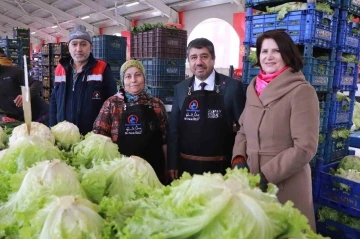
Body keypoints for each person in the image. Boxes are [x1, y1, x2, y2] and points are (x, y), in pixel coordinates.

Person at [232, 29, 319, 231]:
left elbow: (305, 147)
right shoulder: (253, 88)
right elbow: (243, 131)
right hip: (252, 184)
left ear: (287, 54)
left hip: (286, 187)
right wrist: (238, 158)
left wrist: (266, 175)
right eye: (264, 51)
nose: (268, 57)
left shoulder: (302, 91)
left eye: (276, 51)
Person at [168, 38, 246, 179]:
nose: (198, 62)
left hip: (222, 169)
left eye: (204, 56)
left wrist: (239, 159)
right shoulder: (180, 89)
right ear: (189, 61)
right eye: (193, 57)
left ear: (213, 59)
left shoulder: (232, 88)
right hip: (186, 169)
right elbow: (174, 131)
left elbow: (244, 128)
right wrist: (172, 163)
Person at [93, 60, 168, 183]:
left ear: (144, 78)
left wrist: (166, 169)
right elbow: (99, 138)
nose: (133, 80)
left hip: (152, 174)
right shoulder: (112, 104)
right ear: (123, 81)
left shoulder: (156, 104)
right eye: (128, 76)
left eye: (138, 75)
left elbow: (165, 140)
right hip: (121, 175)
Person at [49, 24, 117, 135]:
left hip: (93, 135)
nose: (78, 49)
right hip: (64, 135)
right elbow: (54, 100)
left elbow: (112, 102)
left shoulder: (102, 68)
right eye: (74, 44)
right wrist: (52, 127)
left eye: (83, 44)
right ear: (68, 46)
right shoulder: (60, 69)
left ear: (91, 47)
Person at [0, 48, 49, 125]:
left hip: (41, 116)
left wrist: (27, 94)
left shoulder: (13, 71)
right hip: (20, 123)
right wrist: (2, 117)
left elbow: (37, 83)